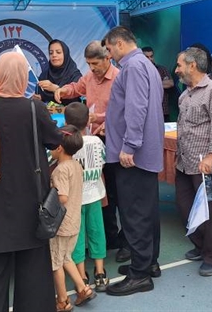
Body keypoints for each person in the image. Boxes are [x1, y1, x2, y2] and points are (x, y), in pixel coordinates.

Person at [0, 51, 62, 312]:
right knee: (33, 275)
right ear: (22, 77)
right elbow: (54, 140)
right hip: (30, 203)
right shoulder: (34, 109)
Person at [48, 41, 126, 260]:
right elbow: (76, 88)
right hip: (93, 139)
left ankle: (126, 241)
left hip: (114, 140)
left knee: (117, 192)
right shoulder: (90, 77)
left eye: (95, 64)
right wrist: (62, 90)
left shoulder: (119, 78)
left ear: (107, 58)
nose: (92, 68)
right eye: (89, 64)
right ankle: (108, 237)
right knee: (101, 193)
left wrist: (100, 119)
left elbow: (123, 110)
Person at [103, 27, 164, 296]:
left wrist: (129, 145)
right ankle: (148, 263)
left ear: (118, 44)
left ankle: (140, 274)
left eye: (108, 49)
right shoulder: (145, 64)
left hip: (133, 155)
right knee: (146, 210)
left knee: (135, 213)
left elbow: (136, 107)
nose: (109, 54)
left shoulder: (132, 66)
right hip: (144, 152)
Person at [174, 47, 212, 277]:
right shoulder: (185, 94)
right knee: (185, 206)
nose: (176, 70)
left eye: (179, 65)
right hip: (184, 162)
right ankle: (200, 245)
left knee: (211, 212)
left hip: (206, 165)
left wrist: (211, 157)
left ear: (192, 65)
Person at [50, 125, 97, 311]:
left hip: (61, 224)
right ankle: (83, 288)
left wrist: (48, 196)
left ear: (59, 148)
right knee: (66, 257)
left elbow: (62, 197)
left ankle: (62, 300)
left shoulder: (60, 170)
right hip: (74, 220)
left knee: (55, 262)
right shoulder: (77, 165)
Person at [64, 103, 110, 292]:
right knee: (97, 231)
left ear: (66, 123)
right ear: (88, 121)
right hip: (95, 195)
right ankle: (100, 272)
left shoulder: (67, 144)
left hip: (74, 200)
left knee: (77, 236)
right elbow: (103, 161)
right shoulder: (96, 141)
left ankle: (81, 275)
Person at [36, 39, 82, 106]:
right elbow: (42, 98)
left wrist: (55, 89)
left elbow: (75, 99)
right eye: (51, 53)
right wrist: (39, 99)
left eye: (58, 52)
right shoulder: (44, 75)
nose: (54, 55)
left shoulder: (75, 75)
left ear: (65, 54)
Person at [142, 46, 175, 122]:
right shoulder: (139, 71)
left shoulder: (161, 69)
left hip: (163, 111)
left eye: (151, 56)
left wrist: (149, 83)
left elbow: (170, 83)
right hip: (146, 112)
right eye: (147, 57)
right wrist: (161, 82)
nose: (150, 59)